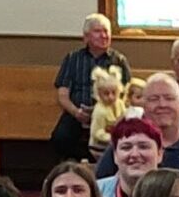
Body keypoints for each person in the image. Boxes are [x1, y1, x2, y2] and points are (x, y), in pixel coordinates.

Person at [97, 74, 179, 180]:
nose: (162, 105)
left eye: (169, 98)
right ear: (143, 107)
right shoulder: (124, 147)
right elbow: (100, 191)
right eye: (154, 99)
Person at [53, 15, 133, 163]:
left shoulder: (119, 60)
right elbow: (62, 94)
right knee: (60, 138)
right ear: (86, 37)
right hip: (77, 114)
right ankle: (80, 164)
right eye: (98, 31)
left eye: (106, 31)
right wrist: (76, 112)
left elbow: (129, 92)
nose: (104, 35)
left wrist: (118, 115)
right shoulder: (73, 58)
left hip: (110, 116)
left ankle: (99, 166)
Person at [97, 118, 165, 197]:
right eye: (126, 147)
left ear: (159, 154)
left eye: (143, 146)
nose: (134, 154)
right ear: (115, 156)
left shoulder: (177, 193)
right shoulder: (95, 193)